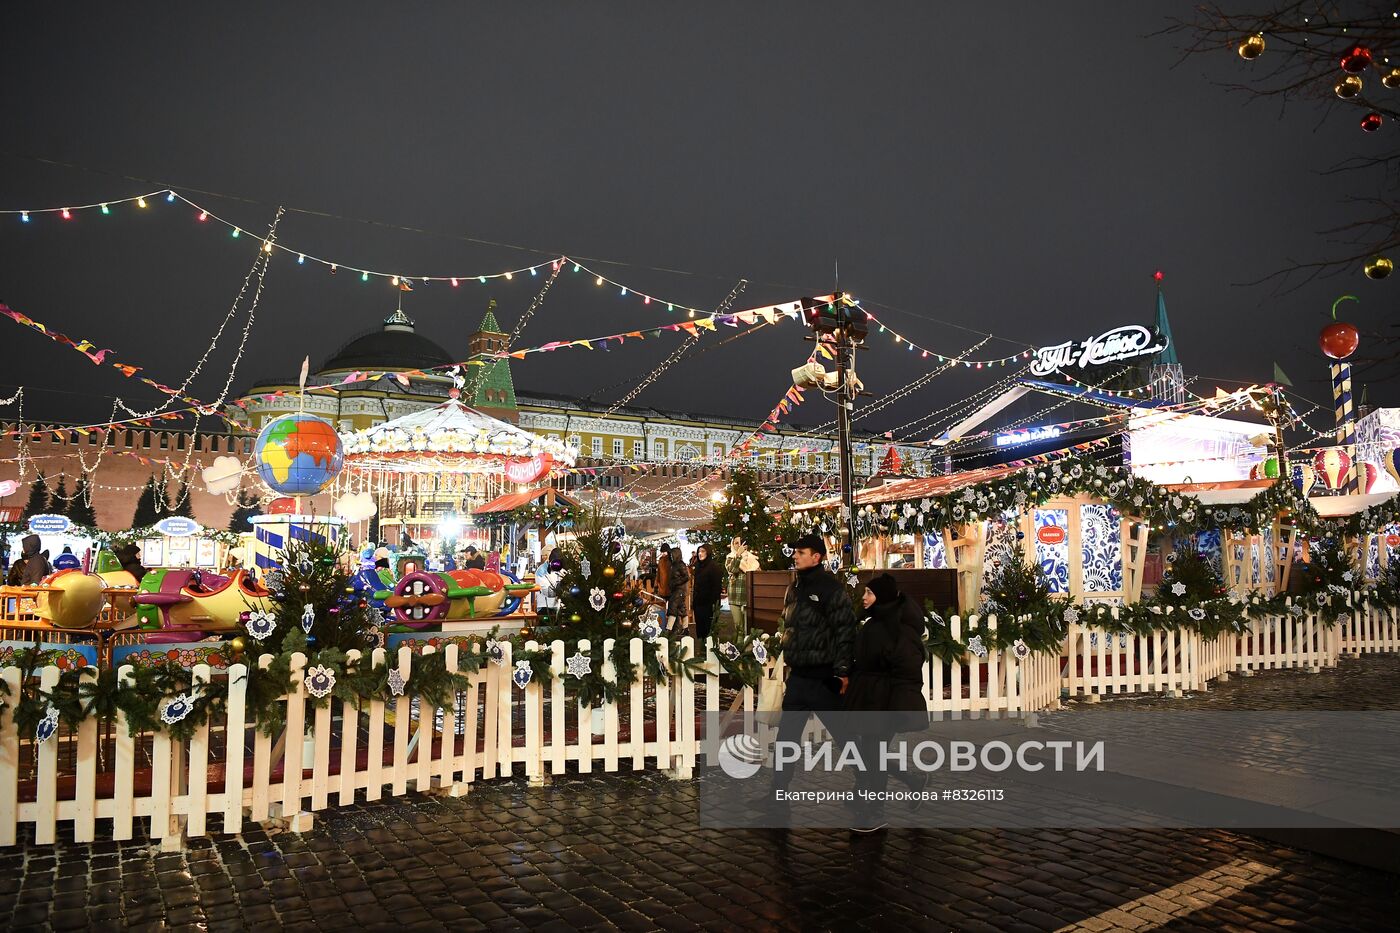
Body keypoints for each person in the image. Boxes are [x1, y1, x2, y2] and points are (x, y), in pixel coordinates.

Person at [771, 534, 857, 806]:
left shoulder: (831, 589)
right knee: (786, 740)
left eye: (801, 552)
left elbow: (845, 630)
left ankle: (873, 784)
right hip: (798, 678)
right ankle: (777, 796)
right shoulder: (794, 587)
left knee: (846, 737)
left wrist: (842, 671)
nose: (795, 556)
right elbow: (790, 626)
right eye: (795, 551)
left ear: (816, 556)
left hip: (823, 679)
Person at [844, 573, 930, 832]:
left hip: (885, 700)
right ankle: (912, 780)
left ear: (881, 596)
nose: (864, 597)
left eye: (869, 593)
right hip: (869, 697)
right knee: (870, 753)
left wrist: (898, 706)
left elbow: (908, 669)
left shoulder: (899, 629)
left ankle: (874, 811)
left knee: (873, 755)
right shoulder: (874, 622)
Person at [690, 544, 723, 644]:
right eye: (699, 551)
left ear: (708, 552)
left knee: (709, 627)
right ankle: (702, 646)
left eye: (703, 551)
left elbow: (716, 587)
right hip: (699, 603)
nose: (700, 554)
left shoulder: (714, 567)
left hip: (709, 604)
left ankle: (709, 648)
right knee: (700, 627)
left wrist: (713, 604)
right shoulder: (698, 566)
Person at [725, 539, 758, 634]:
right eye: (736, 543)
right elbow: (732, 569)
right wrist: (738, 555)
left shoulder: (752, 558)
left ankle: (748, 647)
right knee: (739, 628)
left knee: (749, 627)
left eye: (741, 543)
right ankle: (740, 647)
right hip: (735, 596)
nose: (738, 545)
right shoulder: (730, 557)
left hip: (748, 596)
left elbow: (756, 572)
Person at [664, 545, 690, 632]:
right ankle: (685, 628)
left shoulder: (680, 565)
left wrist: (676, 583)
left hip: (679, 590)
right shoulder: (674, 565)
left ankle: (669, 628)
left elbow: (686, 577)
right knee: (681, 608)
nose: (670, 556)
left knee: (673, 607)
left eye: (672, 554)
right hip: (677, 590)